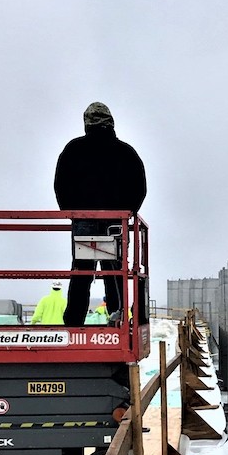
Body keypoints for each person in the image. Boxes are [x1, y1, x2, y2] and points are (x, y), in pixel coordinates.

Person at [54, 102, 146, 326]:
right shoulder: (126, 152)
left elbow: (61, 185)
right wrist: (128, 212)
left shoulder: (73, 150)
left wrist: (72, 212)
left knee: (82, 271)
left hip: (85, 222)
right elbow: (139, 188)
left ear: (87, 122)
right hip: (116, 224)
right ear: (110, 122)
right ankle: (119, 316)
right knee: (115, 271)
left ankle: (74, 320)